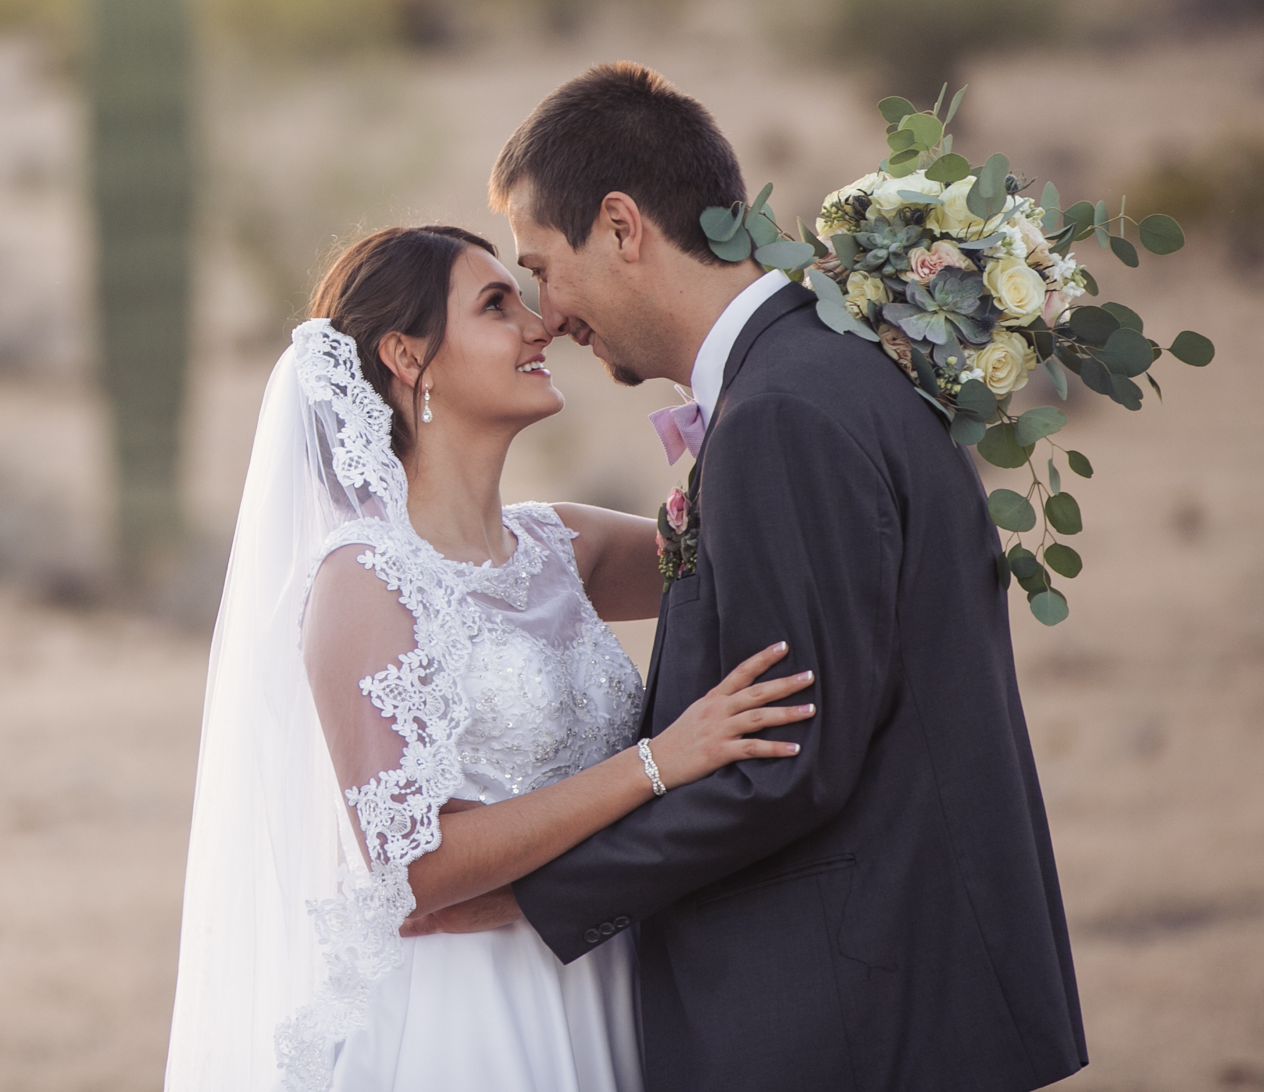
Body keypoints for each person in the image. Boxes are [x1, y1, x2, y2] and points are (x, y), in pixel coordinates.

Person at [453, 61, 1086, 1092]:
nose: (546, 311)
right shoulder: (827, 366)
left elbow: (785, 759)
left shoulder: (781, 415)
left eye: (542, 265)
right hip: (888, 996)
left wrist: (533, 895)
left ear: (620, 225)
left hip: (852, 1010)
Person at [166, 221, 818, 1092]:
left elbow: (755, 540)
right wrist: (658, 763)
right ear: (408, 356)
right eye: (495, 304)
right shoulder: (364, 579)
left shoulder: (566, 545)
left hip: (607, 971)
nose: (538, 324)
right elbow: (415, 866)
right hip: (467, 1010)